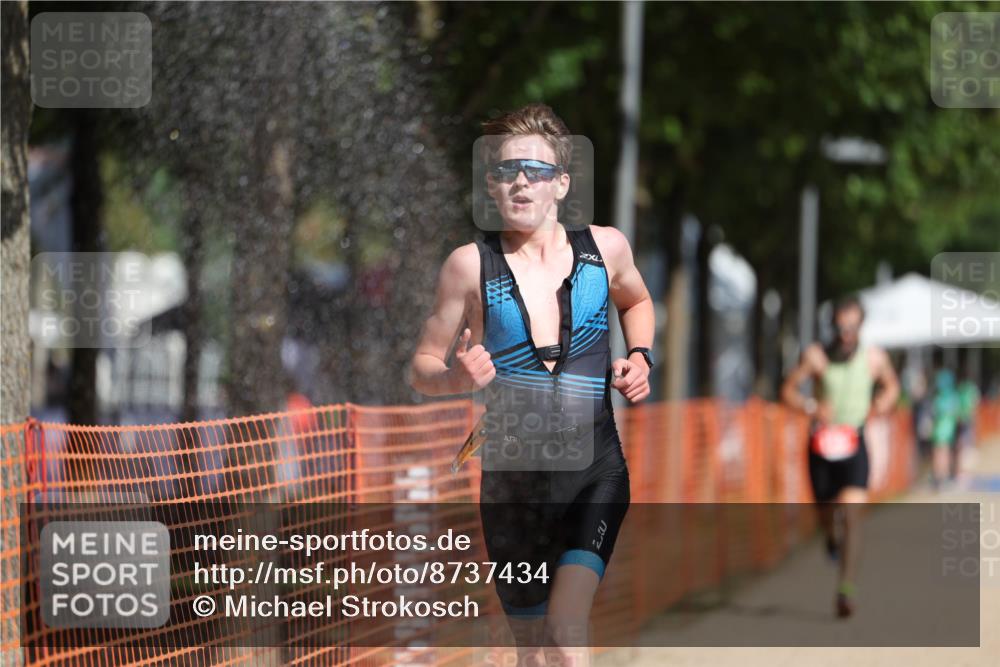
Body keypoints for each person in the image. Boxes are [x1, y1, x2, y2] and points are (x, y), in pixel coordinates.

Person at [408, 103, 654, 665]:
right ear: (491, 186)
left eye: (536, 171)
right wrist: (454, 377)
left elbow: (636, 299)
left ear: (561, 184)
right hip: (512, 487)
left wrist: (641, 356)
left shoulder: (606, 249)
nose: (520, 181)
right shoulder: (468, 267)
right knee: (532, 651)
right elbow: (421, 365)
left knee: (566, 634)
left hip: (595, 472)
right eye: (504, 171)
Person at [780, 295, 899, 618]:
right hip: (821, 446)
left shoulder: (874, 358)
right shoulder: (817, 357)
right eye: (841, 326)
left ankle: (846, 589)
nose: (846, 333)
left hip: (854, 443)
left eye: (852, 326)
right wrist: (811, 407)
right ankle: (831, 539)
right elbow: (788, 390)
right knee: (827, 517)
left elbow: (891, 386)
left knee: (852, 515)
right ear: (832, 325)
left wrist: (882, 404)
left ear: (861, 326)